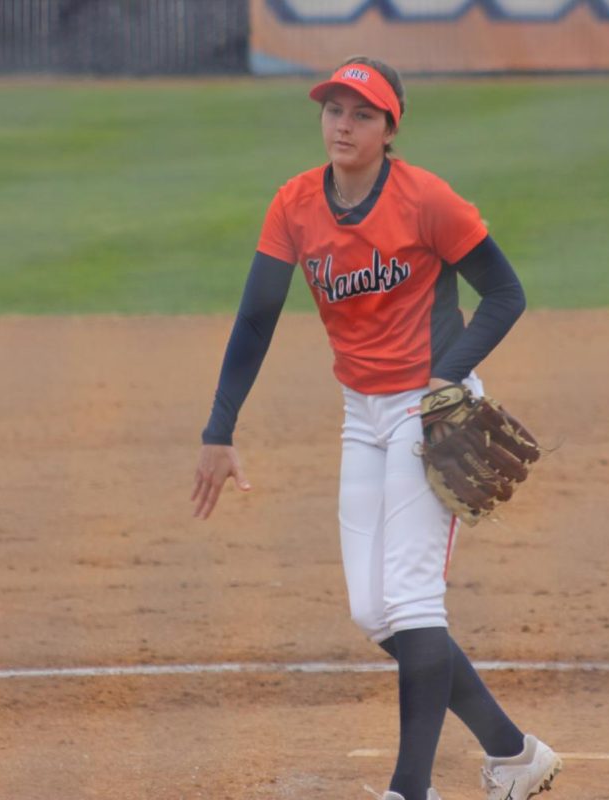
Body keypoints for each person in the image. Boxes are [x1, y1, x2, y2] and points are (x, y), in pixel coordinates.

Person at [190, 56, 562, 800]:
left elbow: (505, 293)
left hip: (429, 413)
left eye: (362, 114)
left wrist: (447, 374)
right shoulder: (295, 205)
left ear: (391, 127)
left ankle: (409, 791)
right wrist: (218, 428)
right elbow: (256, 318)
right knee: (372, 611)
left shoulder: (426, 200)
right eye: (333, 110)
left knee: (414, 600)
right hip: (362, 415)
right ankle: (514, 754)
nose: (343, 125)